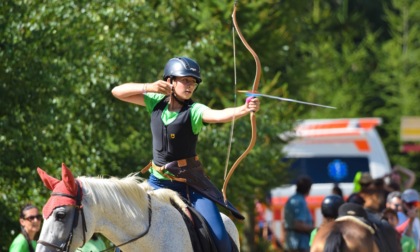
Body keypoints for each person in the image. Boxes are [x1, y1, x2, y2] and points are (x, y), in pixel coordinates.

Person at [112, 56, 260, 252]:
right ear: (170, 81)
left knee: (221, 240)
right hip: (156, 183)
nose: (190, 85)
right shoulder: (156, 102)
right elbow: (117, 92)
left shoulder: (194, 111)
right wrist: (148, 87)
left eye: (193, 82)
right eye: (185, 80)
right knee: (126, 237)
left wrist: (243, 109)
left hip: (190, 185)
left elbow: (218, 115)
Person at [284, 176, 314, 252]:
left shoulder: (292, 199)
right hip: (299, 243)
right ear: (308, 189)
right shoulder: (300, 202)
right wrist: (314, 229)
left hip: (293, 242)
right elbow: (298, 224)